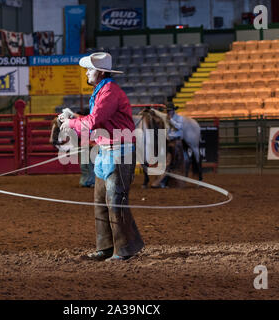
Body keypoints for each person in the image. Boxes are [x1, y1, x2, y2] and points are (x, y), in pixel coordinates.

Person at [58, 52, 144, 261]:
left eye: (90, 69)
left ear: (101, 72)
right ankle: (107, 247)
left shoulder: (108, 92)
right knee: (102, 201)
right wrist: (74, 117)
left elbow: (94, 121)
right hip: (107, 151)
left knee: (114, 200)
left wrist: (70, 123)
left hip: (119, 151)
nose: (86, 72)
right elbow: (96, 121)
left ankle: (123, 249)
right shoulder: (103, 91)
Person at [151, 102, 185, 188]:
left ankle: (159, 182)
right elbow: (158, 113)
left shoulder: (179, 118)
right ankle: (164, 182)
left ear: (173, 111)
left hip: (176, 143)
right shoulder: (165, 116)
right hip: (169, 143)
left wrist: (171, 121)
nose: (168, 112)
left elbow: (179, 127)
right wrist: (151, 109)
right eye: (167, 111)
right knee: (169, 163)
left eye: (169, 111)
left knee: (169, 163)